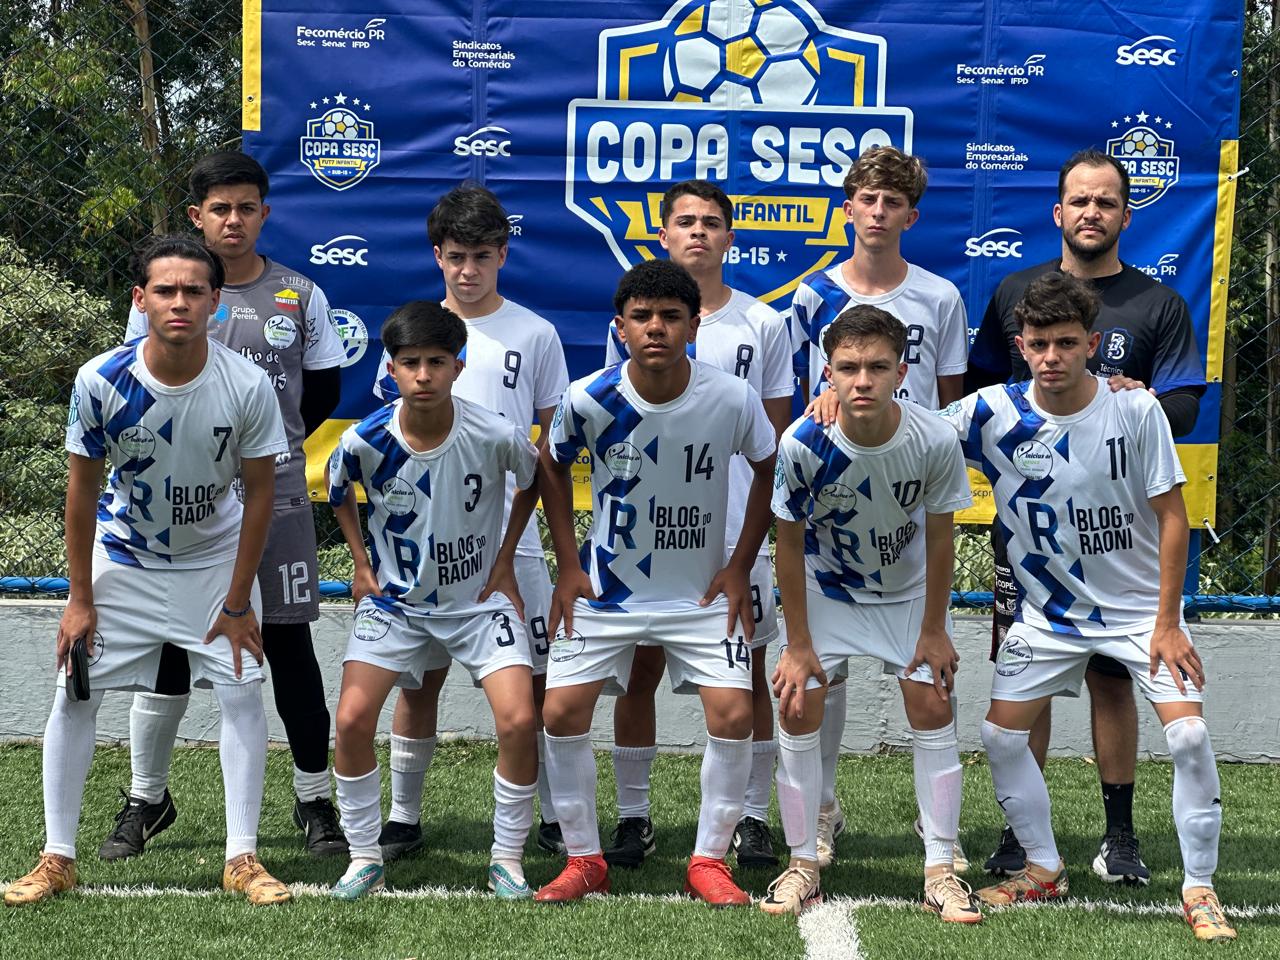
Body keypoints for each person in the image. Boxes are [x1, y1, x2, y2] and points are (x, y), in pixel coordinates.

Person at [941, 271, 1234, 943]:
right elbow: (911, 438)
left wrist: (1167, 622)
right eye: (1038, 344)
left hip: (1139, 615)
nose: (1050, 358)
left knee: (1188, 736)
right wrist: (839, 405)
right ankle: (1043, 866)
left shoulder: (1135, 411)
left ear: (1093, 344)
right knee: (999, 736)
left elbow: (1172, 517)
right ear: (1020, 344)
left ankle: (1200, 888)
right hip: (1047, 617)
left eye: (1065, 343)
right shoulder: (990, 413)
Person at [5, 236, 290, 906]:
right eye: (165, 290)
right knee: (73, 692)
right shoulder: (101, 381)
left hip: (213, 565)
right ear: (140, 300)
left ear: (216, 303)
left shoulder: (246, 386)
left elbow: (260, 498)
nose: (180, 302)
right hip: (125, 561)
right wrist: (79, 597)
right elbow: (79, 493)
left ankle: (242, 858)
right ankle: (57, 857)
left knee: (245, 686)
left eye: (195, 291)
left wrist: (241, 599)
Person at [966, 149, 1206, 883]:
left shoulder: (1157, 303)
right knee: (1027, 680)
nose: (1092, 212)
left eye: (1106, 202)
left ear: (1126, 215)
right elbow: (981, 392)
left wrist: (1126, 405)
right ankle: (1020, 836)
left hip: (1121, 534)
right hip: (1034, 534)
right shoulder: (1015, 291)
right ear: (1058, 211)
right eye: (1079, 200)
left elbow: (1188, 404)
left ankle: (1120, 833)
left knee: (1112, 680)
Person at [111, 152, 346, 859]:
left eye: (246, 207)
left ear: (264, 213)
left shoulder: (301, 295)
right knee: (169, 650)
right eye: (220, 209)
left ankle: (315, 801)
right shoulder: (164, 294)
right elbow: (134, 386)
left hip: (273, 507)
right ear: (197, 217)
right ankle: (147, 798)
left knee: (288, 647)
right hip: (184, 507)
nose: (233, 220)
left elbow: (324, 395)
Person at [534, 260, 776, 905]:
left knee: (733, 712)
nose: (656, 328)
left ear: (694, 326)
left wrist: (740, 563)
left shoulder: (731, 396)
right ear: (621, 327)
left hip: (700, 595)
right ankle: (584, 859)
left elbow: (770, 467)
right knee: (559, 712)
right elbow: (550, 466)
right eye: (642, 317)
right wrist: (568, 563)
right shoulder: (591, 398)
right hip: (607, 593)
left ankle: (709, 861)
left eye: (671, 316)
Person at [368, 185, 569, 861]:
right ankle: (402, 817)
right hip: (421, 547)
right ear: (437, 254)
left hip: (510, 546)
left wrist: (522, 548)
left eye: (481, 256)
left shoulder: (535, 333)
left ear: (503, 255)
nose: (468, 270)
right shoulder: (412, 333)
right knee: (416, 679)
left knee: (531, 681)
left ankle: (549, 812)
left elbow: (547, 453)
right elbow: (386, 448)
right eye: (455, 256)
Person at [601, 180, 793, 871]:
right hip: (647, 533)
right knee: (638, 671)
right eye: (685, 221)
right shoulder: (632, 320)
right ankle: (633, 818)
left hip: (734, 533)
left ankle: (752, 817)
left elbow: (774, 441)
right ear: (664, 234)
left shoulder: (763, 324)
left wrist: (750, 544)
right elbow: (611, 424)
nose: (699, 233)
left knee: (748, 677)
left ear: (730, 236)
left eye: (712, 222)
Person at [765, 306, 978, 921]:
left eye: (877, 367)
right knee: (798, 700)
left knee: (933, 701)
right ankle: (803, 861)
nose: (863, 380)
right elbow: (788, 541)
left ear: (902, 371)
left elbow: (942, 537)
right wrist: (797, 644)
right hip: (827, 595)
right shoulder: (803, 442)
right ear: (826, 373)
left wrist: (936, 629)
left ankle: (941, 865)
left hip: (905, 596)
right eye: (849, 368)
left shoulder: (933, 437)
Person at [789, 145, 969, 869]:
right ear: (848, 207)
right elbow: (807, 400)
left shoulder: (939, 297)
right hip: (836, 497)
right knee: (818, 678)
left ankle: (939, 833)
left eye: (893, 201)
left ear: (910, 214)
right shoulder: (812, 297)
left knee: (926, 671)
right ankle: (821, 812)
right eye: (867, 198)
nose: (879, 212)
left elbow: (950, 402)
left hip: (909, 494)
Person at [325, 301, 541, 900]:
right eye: (410, 363)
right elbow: (338, 491)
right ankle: (364, 856)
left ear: (458, 365)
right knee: (349, 721)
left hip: (477, 605)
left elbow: (534, 481)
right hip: (396, 607)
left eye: (437, 362)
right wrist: (362, 566)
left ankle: (507, 859)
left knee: (521, 719)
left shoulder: (493, 432)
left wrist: (503, 564)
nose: (424, 375)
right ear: (390, 369)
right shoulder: (365, 438)